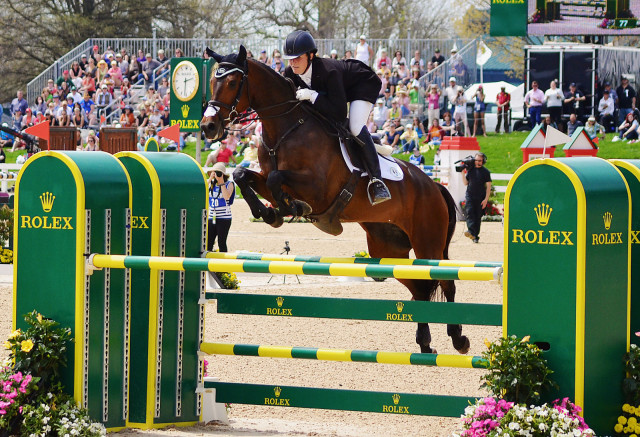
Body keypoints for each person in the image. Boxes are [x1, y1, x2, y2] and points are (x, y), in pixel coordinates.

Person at [283, 30, 391, 204]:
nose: (293, 63)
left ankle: (377, 181)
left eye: (298, 58)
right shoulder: (290, 73)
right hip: (336, 93)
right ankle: (371, 140)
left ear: (311, 55)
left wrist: (312, 96)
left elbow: (339, 112)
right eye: (290, 58)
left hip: (361, 85)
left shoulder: (328, 70)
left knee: (355, 127)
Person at [462, 153, 491, 244]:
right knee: (470, 212)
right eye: (476, 160)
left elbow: (489, 187)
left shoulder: (486, 172)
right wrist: (463, 173)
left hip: (480, 197)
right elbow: (466, 183)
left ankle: (475, 236)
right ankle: (470, 231)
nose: (477, 162)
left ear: (483, 161)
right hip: (470, 195)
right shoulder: (470, 170)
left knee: (477, 217)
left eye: (479, 161)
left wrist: (486, 199)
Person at [207, 162, 235, 253]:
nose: (216, 175)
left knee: (221, 242)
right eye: (214, 172)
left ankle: (222, 265)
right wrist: (210, 178)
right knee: (208, 242)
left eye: (218, 173)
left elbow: (227, 196)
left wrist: (221, 182)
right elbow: (202, 189)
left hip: (224, 218)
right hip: (212, 217)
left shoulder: (229, 184)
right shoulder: (211, 184)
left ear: (223, 174)